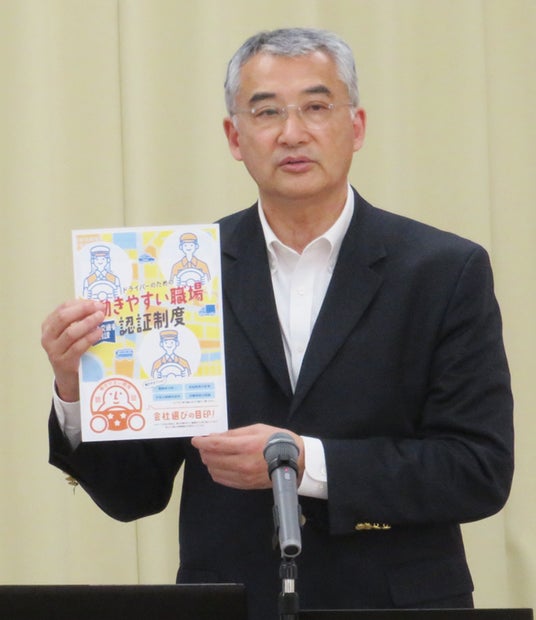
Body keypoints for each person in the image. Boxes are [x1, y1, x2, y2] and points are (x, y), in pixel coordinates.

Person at [41, 28, 514, 619]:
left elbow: (477, 470)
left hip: (396, 603)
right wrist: (74, 388)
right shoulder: (178, 274)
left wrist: (302, 462)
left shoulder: (443, 270)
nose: (293, 133)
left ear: (356, 127)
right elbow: (132, 494)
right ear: (234, 137)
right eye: (266, 112)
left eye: (316, 107)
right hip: (233, 602)